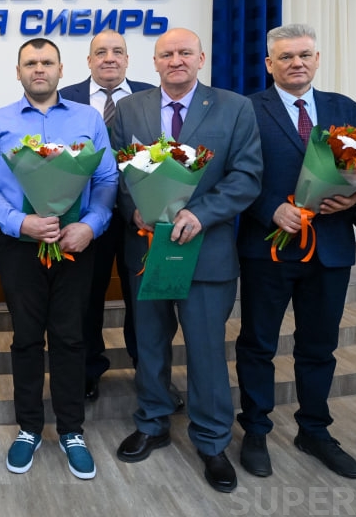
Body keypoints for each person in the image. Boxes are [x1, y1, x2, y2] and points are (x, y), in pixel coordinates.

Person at [110, 27, 262, 493]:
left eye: (184, 53)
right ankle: (152, 421)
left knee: (206, 350)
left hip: (206, 251)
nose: (175, 60)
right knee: (150, 343)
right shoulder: (128, 109)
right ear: (154, 62)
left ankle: (212, 440)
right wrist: (132, 208)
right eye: (166, 54)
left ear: (201, 58)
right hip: (146, 249)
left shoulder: (235, 107)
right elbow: (114, 173)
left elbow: (247, 175)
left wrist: (202, 213)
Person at [0, 38, 117, 480]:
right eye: (30, 63)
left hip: (75, 245)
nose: (39, 69)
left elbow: (107, 180)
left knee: (71, 338)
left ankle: (71, 430)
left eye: (47, 62)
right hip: (19, 247)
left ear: (61, 69)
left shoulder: (88, 118)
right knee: (27, 338)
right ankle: (29, 427)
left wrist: (91, 225)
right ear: (18, 72)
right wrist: (19, 222)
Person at [234, 24, 356, 480]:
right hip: (267, 250)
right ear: (269, 64)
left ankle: (314, 430)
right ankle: (255, 429)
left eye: (304, 55)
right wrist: (269, 209)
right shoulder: (247, 109)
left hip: (329, 248)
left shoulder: (343, 108)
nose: (296, 63)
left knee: (319, 347)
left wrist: (355, 198)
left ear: (317, 59)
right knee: (258, 344)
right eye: (286, 57)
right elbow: (234, 174)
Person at [60, 29, 178, 407]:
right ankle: (88, 372)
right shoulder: (65, 99)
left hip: (140, 219)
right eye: (100, 52)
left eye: (117, 51)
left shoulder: (152, 96)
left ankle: (151, 375)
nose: (109, 58)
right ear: (89, 61)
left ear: (128, 59)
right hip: (84, 220)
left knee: (145, 303)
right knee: (85, 301)